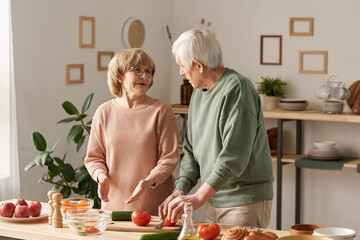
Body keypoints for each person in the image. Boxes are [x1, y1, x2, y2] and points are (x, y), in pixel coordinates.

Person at [158, 29, 274, 228]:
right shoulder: (197, 95)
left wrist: (198, 198)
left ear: (199, 65)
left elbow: (233, 158)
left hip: (243, 201)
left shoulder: (238, 89)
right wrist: (181, 189)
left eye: (182, 66)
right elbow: (191, 151)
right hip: (212, 199)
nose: (181, 72)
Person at [85, 48, 179, 216]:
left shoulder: (162, 111)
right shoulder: (103, 112)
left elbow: (169, 158)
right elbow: (93, 158)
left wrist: (150, 180)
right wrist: (101, 176)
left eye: (149, 72)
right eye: (137, 69)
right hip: (113, 208)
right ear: (119, 75)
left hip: (155, 209)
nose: (145, 76)